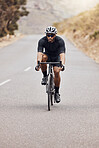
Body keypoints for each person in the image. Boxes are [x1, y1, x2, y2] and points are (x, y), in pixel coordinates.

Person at [35, 26, 66, 103]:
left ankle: (57, 92)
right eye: (48, 35)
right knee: (43, 58)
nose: (50, 37)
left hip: (56, 57)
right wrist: (38, 64)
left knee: (56, 71)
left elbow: (62, 54)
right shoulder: (42, 41)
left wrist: (62, 65)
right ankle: (45, 76)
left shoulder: (60, 41)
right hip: (48, 56)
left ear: (55, 35)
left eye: (52, 35)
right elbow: (39, 53)